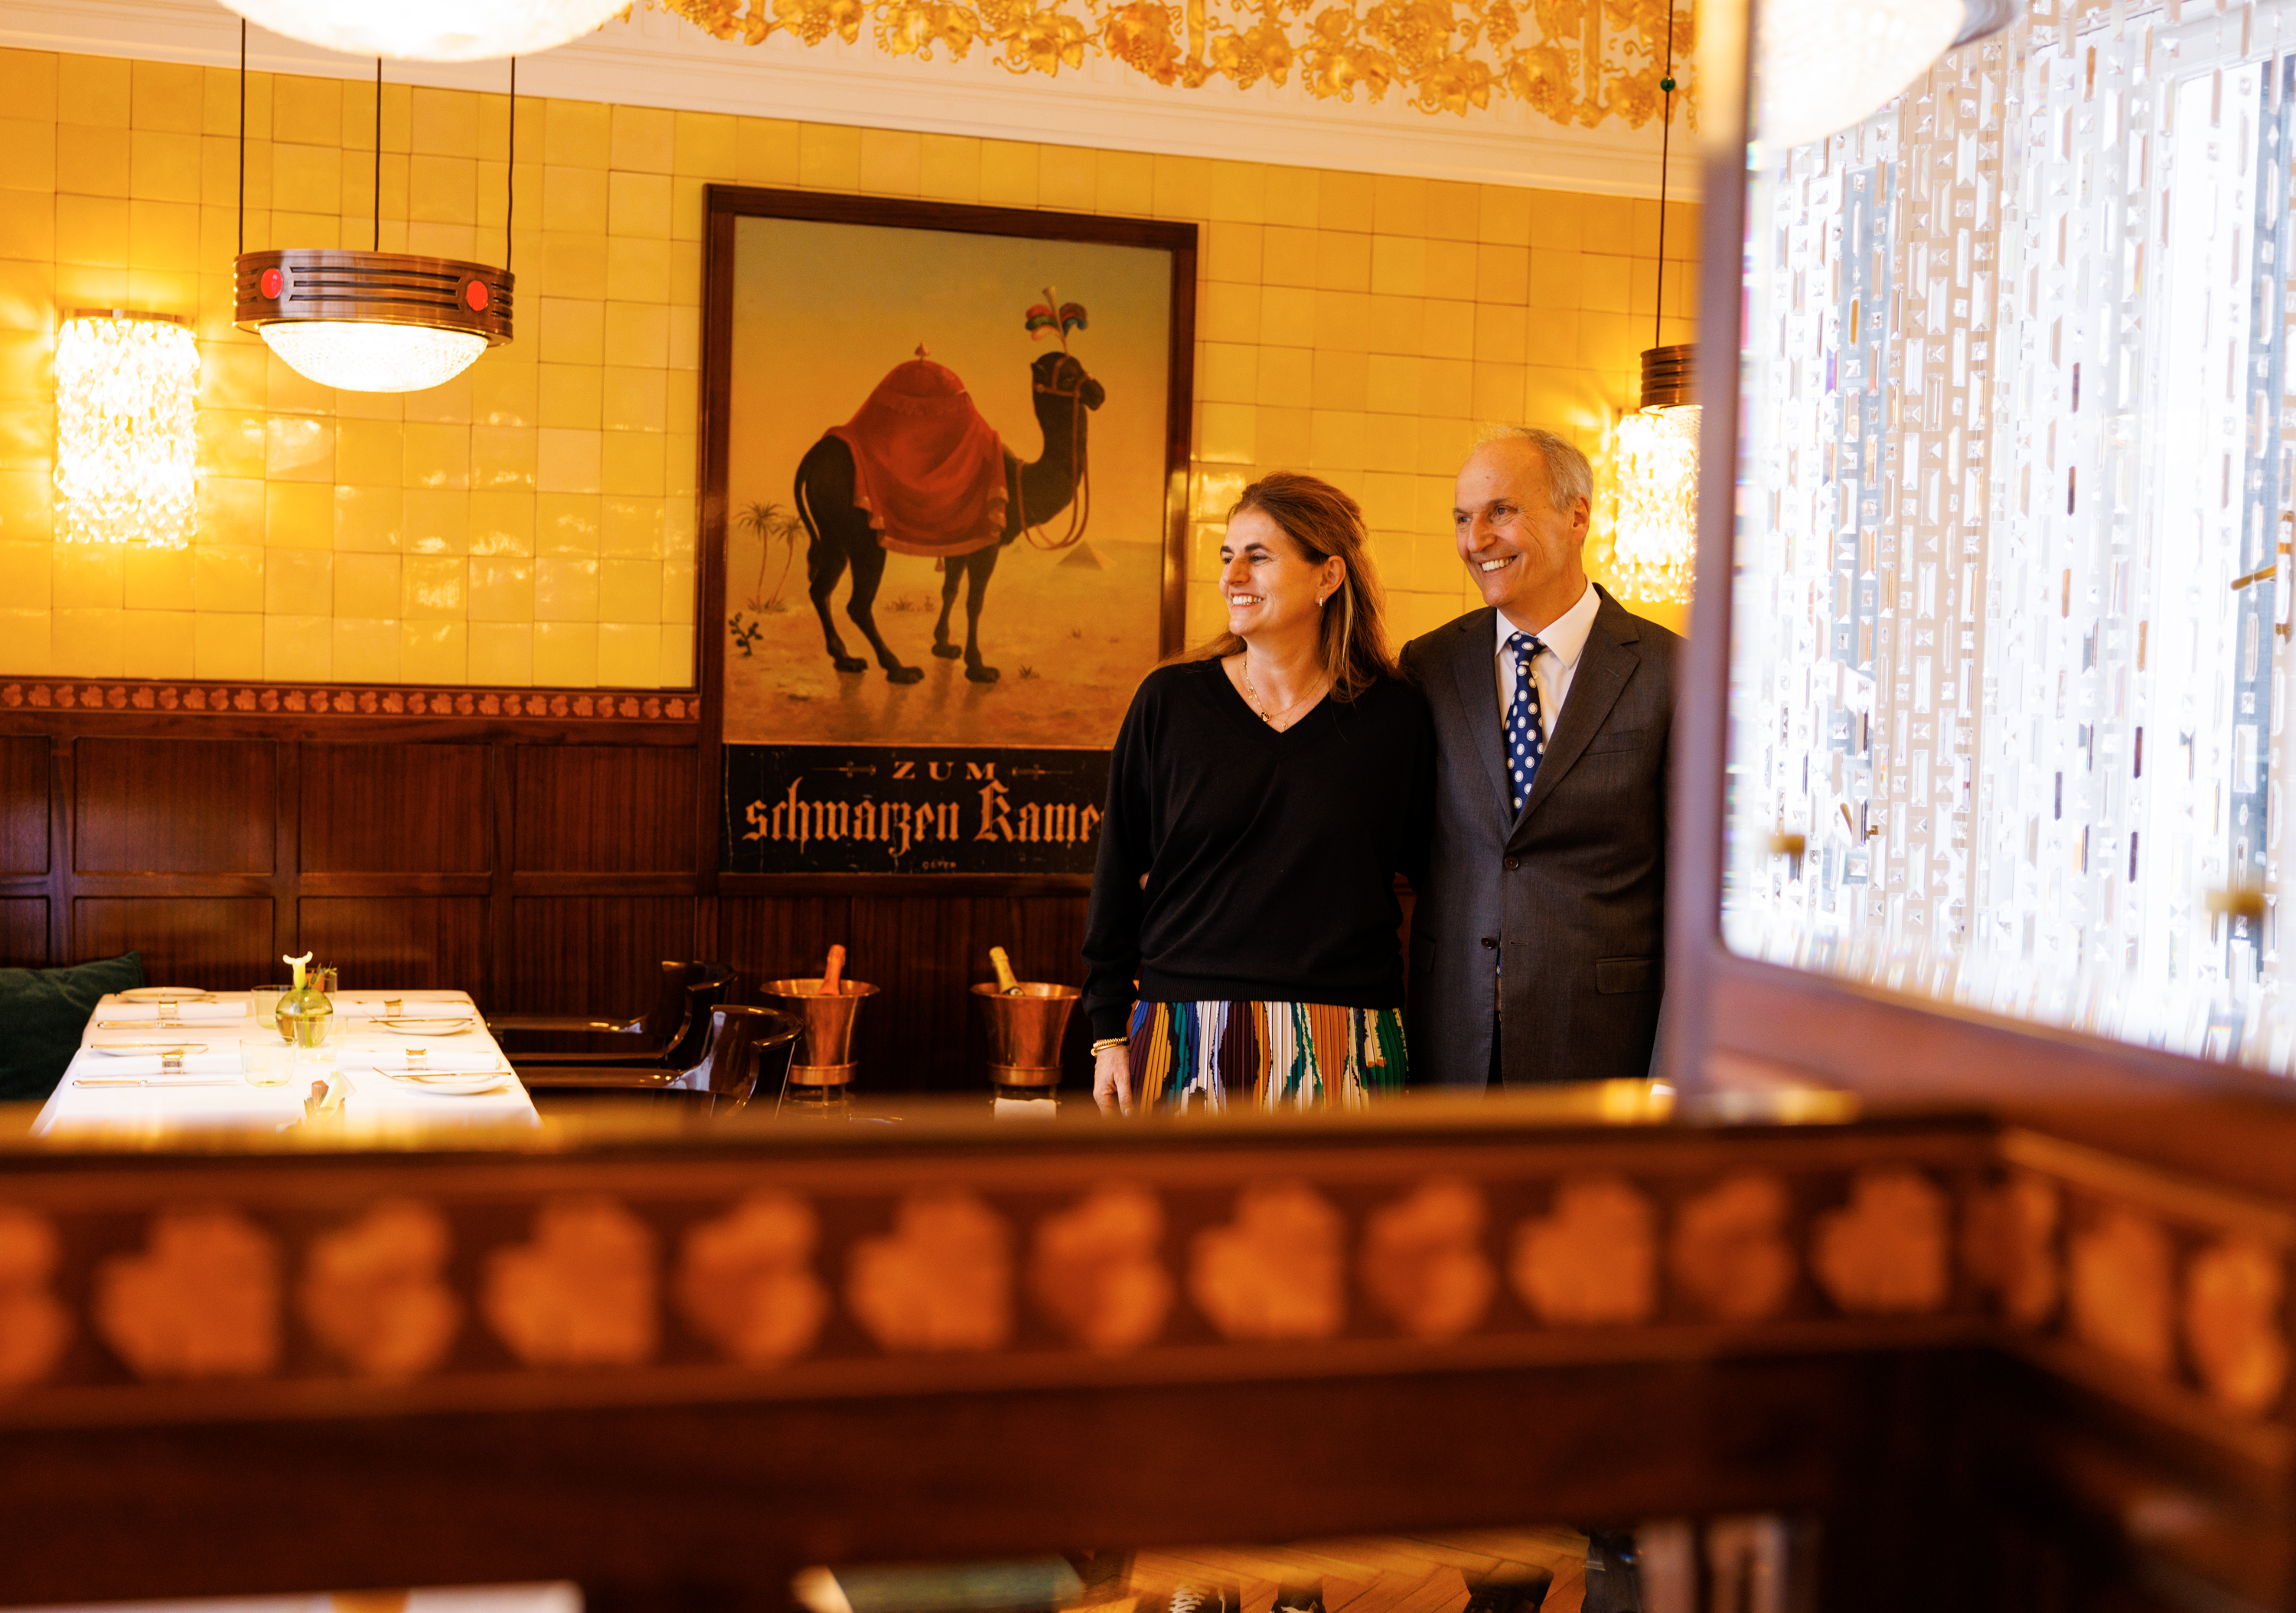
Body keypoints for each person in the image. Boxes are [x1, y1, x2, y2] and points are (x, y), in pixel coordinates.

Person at [1083, 472, 1433, 1112]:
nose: (1231, 575)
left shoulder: (1395, 717)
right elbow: (1115, 872)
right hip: (1183, 1032)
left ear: (1329, 576)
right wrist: (1108, 1029)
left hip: (1348, 1038)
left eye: (1258, 556)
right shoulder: (1169, 703)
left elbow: (1440, 871)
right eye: (1226, 556)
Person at [1400, 426, 1678, 1088]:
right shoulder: (1428, 666)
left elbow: (1694, 891)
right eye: (1464, 518)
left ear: (1577, 514)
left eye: (1502, 511)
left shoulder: (1672, 671)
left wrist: (1671, 1069)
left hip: (1604, 1042)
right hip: (1450, 1039)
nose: (1476, 540)